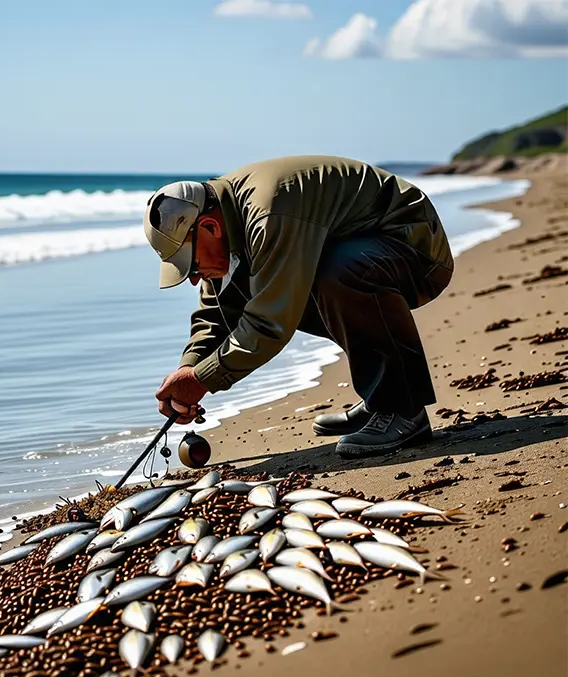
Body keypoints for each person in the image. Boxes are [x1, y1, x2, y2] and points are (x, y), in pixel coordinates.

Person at [143, 155, 453, 458]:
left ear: (211, 228)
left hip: (417, 251)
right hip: (368, 250)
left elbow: (269, 323)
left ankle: (402, 408)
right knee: (282, 282)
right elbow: (216, 312)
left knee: (330, 274)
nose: (195, 280)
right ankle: (381, 397)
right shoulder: (224, 222)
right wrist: (190, 367)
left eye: (192, 265)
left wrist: (202, 380)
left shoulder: (268, 216)